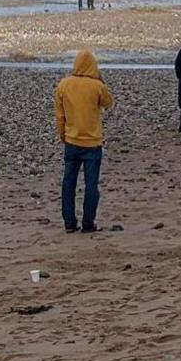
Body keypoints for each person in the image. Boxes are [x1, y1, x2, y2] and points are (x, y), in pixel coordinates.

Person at [54, 49, 114, 234]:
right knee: (91, 185)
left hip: (72, 140)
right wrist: (101, 80)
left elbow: (60, 115)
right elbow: (109, 103)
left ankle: (69, 222)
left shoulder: (64, 85)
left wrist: (63, 135)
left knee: (69, 183)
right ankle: (88, 222)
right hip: (92, 142)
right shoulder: (97, 86)